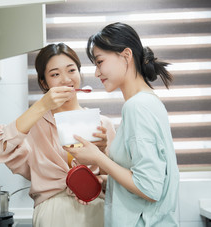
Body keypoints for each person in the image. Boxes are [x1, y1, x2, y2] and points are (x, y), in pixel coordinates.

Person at [64, 22, 180, 227]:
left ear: (126, 55)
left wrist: (98, 157)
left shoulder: (137, 107)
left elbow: (150, 189)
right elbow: (141, 177)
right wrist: (108, 179)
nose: (97, 73)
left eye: (99, 62)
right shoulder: (146, 102)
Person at [0, 43, 116, 227]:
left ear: (79, 73)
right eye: (55, 74)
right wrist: (42, 105)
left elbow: (116, 183)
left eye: (71, 70)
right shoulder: (32, 125)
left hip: (96, 213)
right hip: (52, 215)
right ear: (44, 82)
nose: (66, 79)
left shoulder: (103, 124)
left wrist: (103, 150)